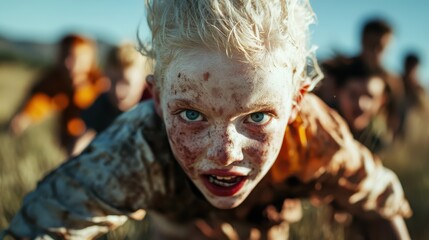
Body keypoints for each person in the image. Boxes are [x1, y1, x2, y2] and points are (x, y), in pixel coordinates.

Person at [2, 1, 411, 239]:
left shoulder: (316, 139)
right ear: (158, 99)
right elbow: (44, 223)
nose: (224, 153)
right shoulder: (137, 148)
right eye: (192, 114)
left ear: (294, 103)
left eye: (257, 116)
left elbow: (379, 201)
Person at [8, 34, 109, 154]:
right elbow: (40, 99)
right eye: (64, 56)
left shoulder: (102, 84)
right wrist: (24, 117)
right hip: (66, 147)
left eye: (74, 58)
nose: (68, 63)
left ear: (89, 59)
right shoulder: (55, 80)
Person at [71, 42, 152, 154]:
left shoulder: (156, 107)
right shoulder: (101, 103)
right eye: (112, 81)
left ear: (145, 81)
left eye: (126, 83)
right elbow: (83, 139)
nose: (118, 91)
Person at [320, 57, 391, 153]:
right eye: (353, 94)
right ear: (338, 91)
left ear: (381, 102)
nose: (360, 104)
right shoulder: (318, 122)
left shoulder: (378, 141)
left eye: (369, 97)